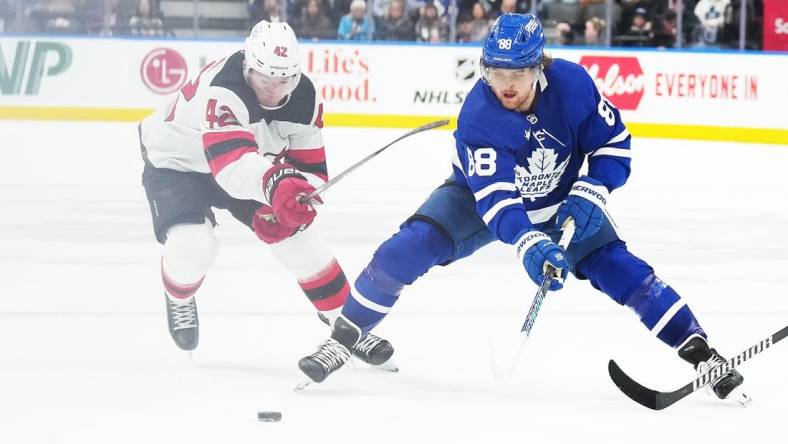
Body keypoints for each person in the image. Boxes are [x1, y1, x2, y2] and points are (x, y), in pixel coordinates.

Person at [297, 13, 749, 406]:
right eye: (495, 72)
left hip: (563, 199)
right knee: (405, 249)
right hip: (475, 200)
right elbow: (496, 201)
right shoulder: (479, 116)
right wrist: (530, 243)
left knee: (622, 271)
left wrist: (594, 189)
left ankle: (702, 354)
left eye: (516, 73)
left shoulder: (573, 86)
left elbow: (614, 145)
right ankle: (343, 340)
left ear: (539, 67)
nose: (505, 85)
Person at [138, 20, 394, 370]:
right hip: (178, 162)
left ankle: (349, 325)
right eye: (265, 79)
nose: (275, 90)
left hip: (250, 164)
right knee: (193, 247)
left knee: (301, 241)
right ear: (248, 66)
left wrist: (295, 203)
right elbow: (230, 167)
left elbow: (311, 173)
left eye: (285, 79)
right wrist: (278, 188)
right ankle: (178, 294)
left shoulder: (305, 96)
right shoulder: (224, 89)